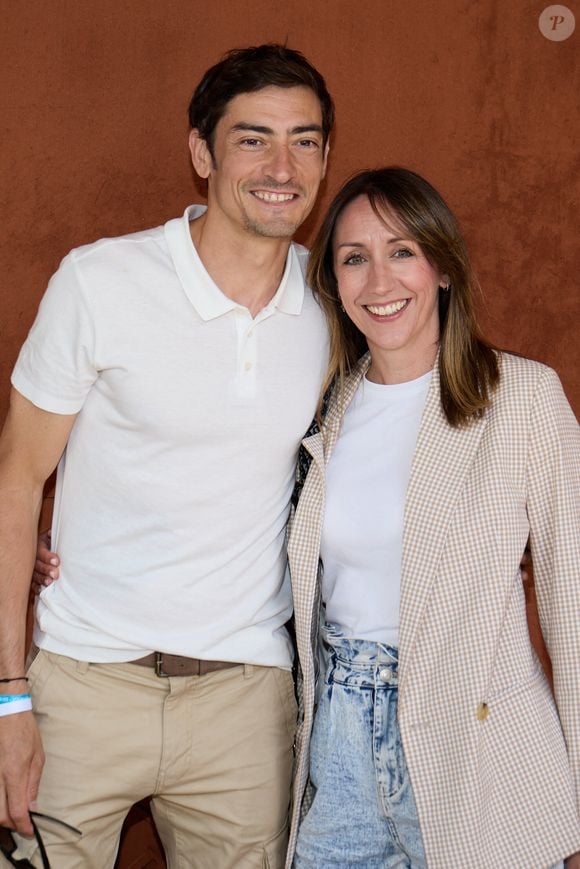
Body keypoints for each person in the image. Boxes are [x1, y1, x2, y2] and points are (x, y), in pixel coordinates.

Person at [0, 44, 333, 868]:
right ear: (201, 152)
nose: (281, 166)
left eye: (306, 139)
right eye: (253, 138)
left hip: (246, 697)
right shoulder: (100, 281)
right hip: (83, 682)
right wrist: (6, 699)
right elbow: (17, 478)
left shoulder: (338, 303)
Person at [285, 167, 580, 868]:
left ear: (442, 266)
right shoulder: (323, 411)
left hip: (477, 747)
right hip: (341, 745)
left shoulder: (524, 399)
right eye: (354, 257)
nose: (379, 281)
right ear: (333, 280)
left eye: (402, 251)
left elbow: (573, 607)